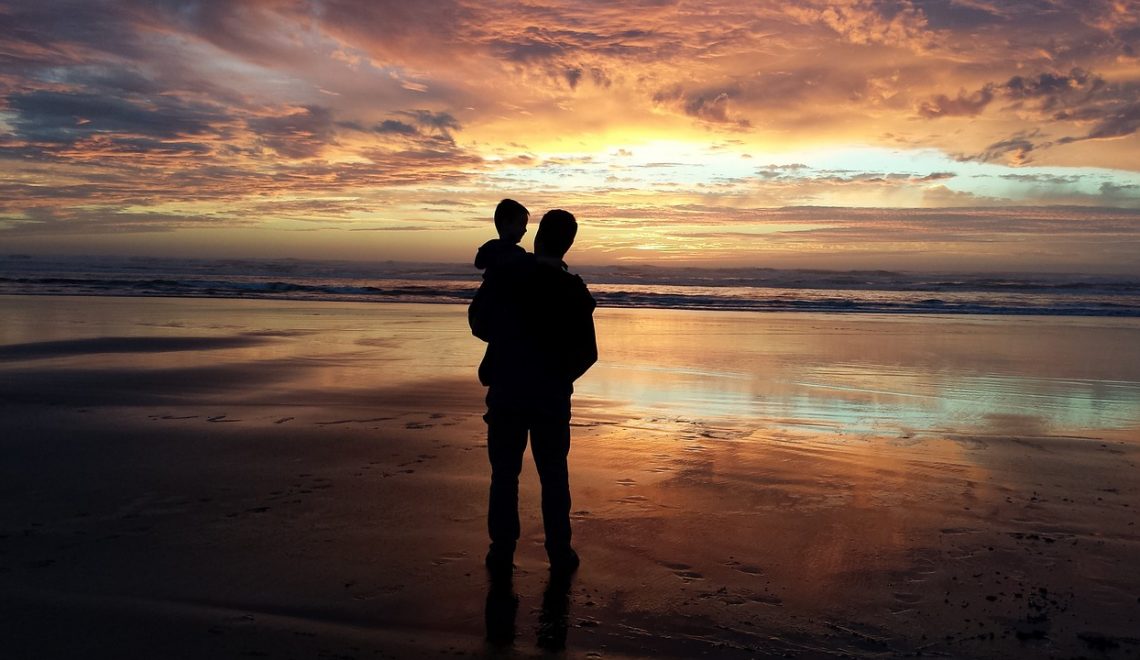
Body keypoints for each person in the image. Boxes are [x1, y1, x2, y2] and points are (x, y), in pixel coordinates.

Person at [469, 209, 598, 577]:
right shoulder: (572, 289)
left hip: (508, 392)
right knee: (554, 475)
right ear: (568, 243)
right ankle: (559, 551)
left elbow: (479, 324)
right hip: (550, 399)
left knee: (505, 475)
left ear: (538, 237)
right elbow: (587, 354)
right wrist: (558, 377)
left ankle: (501, 550)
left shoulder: (508, 277)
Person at [474, 199, 529, 277]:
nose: (525, 230)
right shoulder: (517, 252)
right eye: (521, 224)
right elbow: (479, 263)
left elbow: (479, 264)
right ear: (506, 224)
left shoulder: (491, 246)